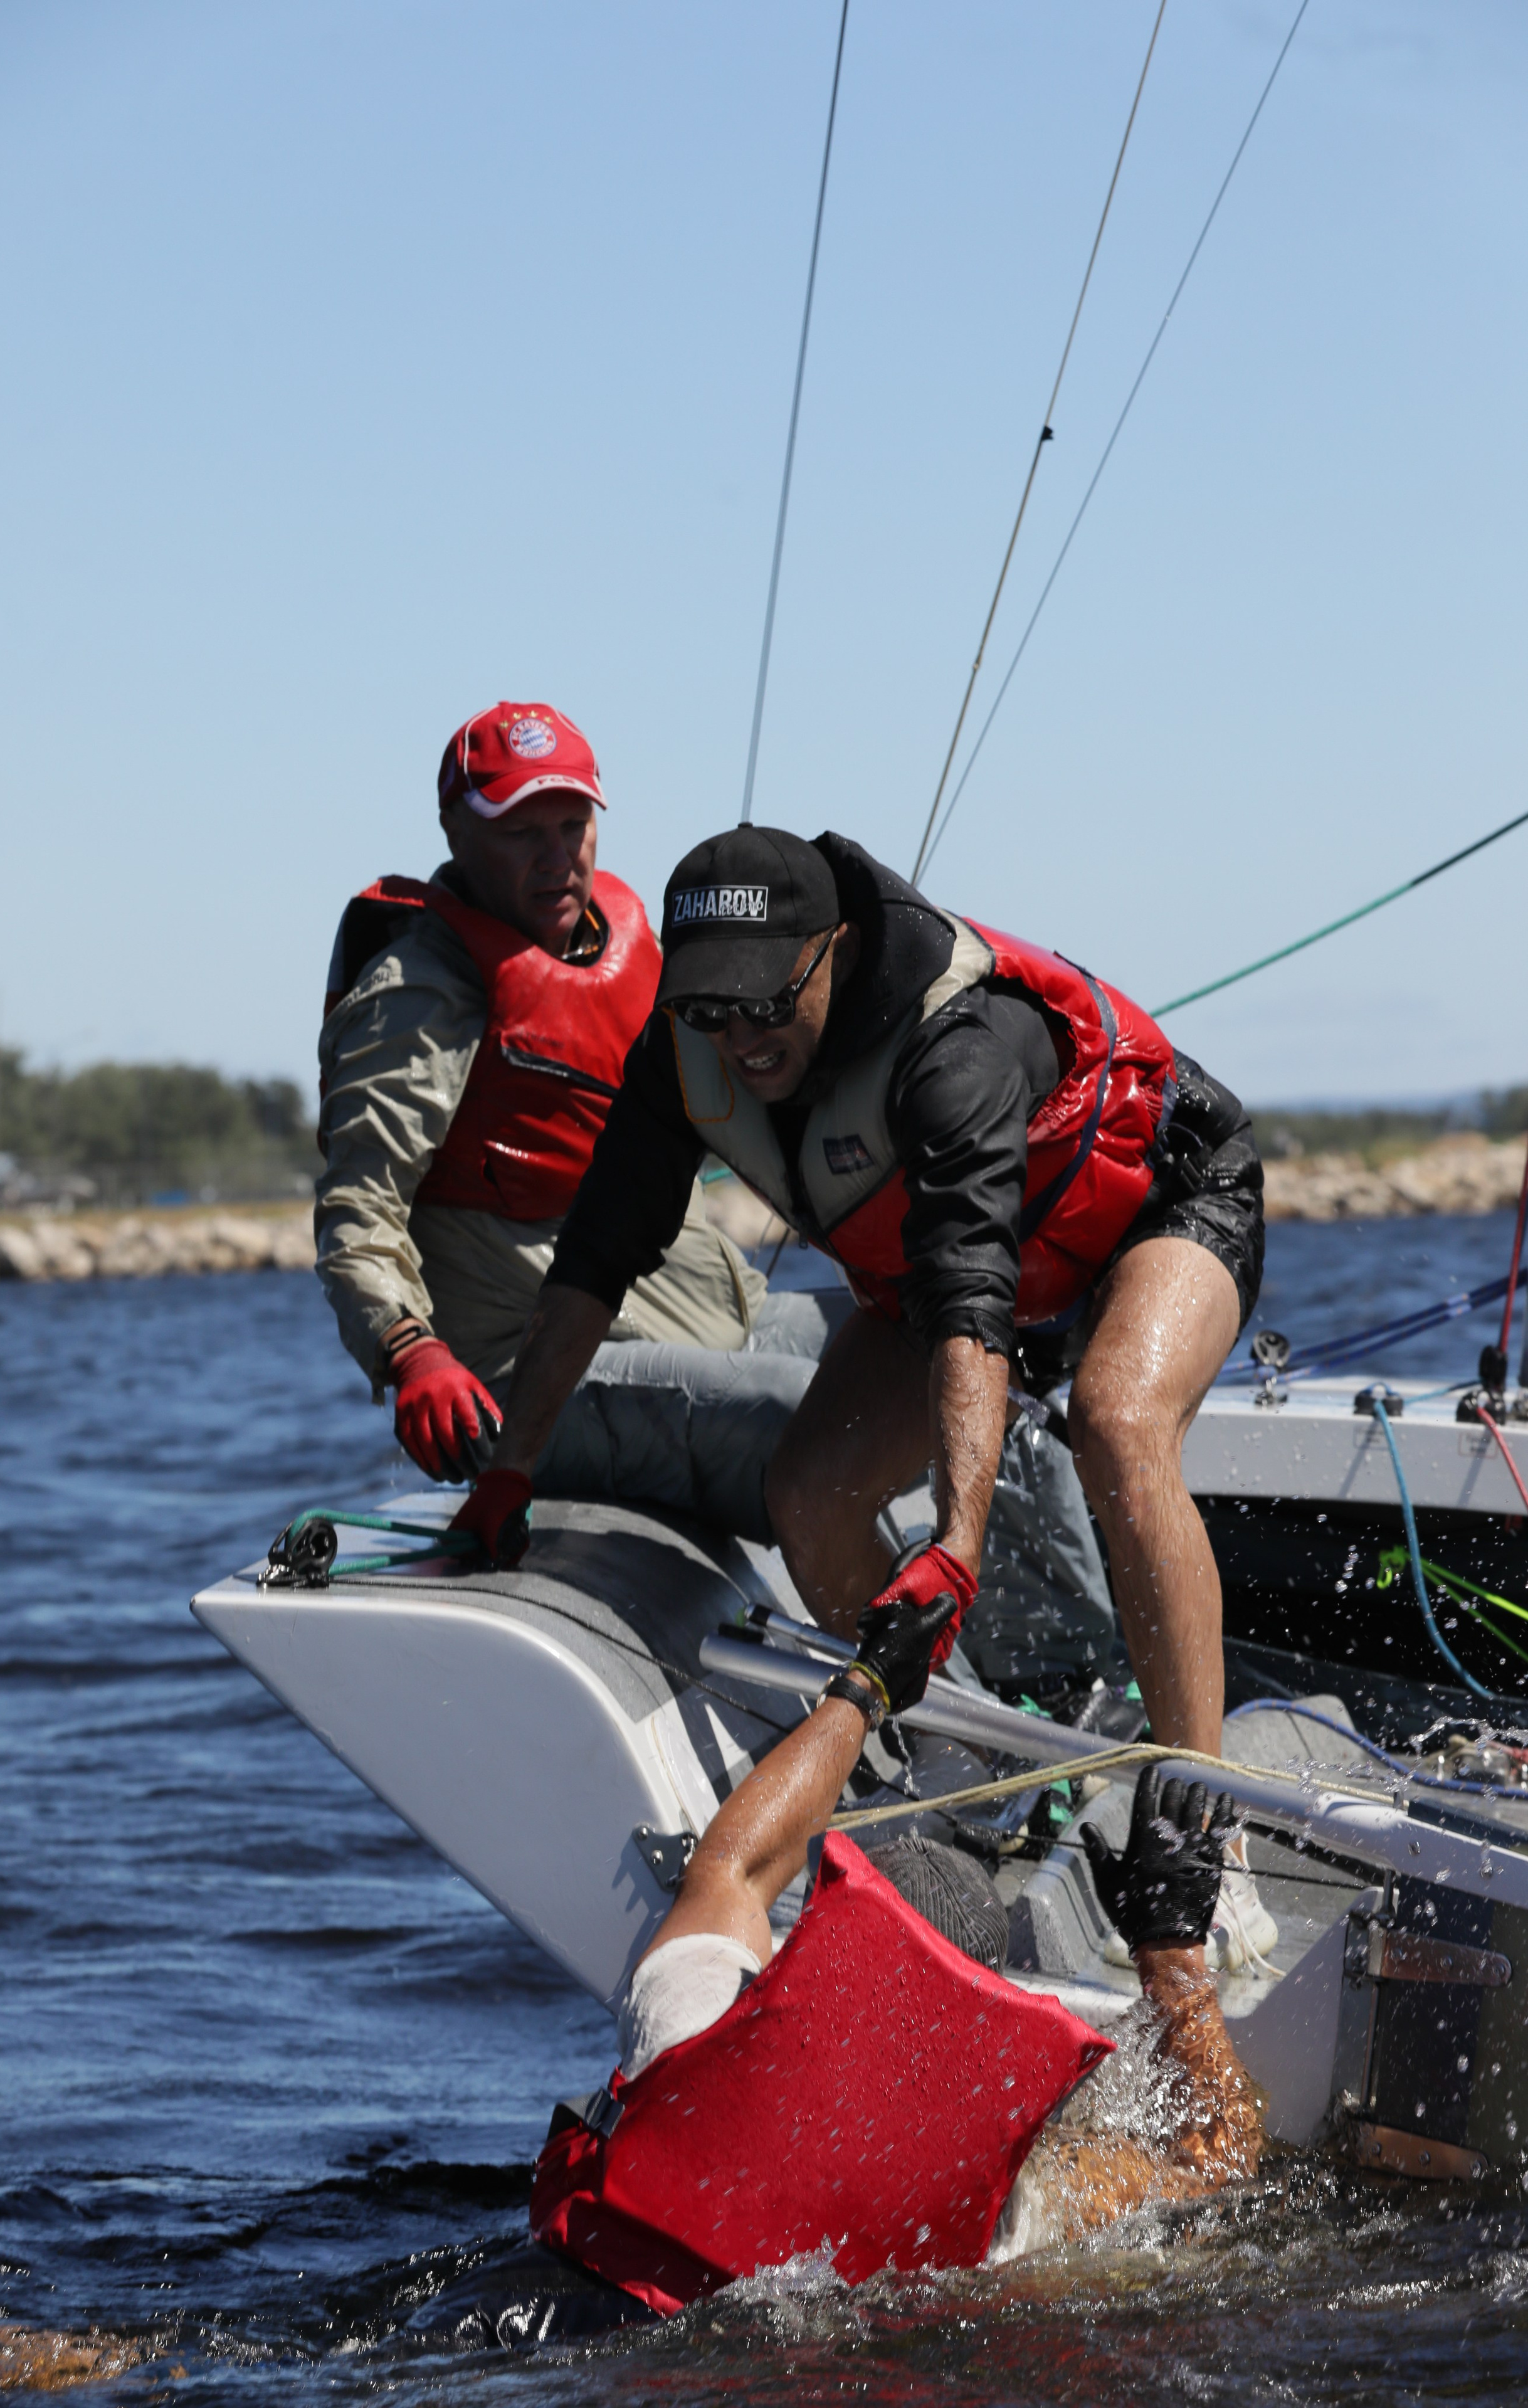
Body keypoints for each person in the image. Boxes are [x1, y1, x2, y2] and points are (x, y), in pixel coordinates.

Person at [458, 825, 1275, 1962]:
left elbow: (973, 1303)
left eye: (762, 1005)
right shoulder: (685, 1054)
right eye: (709, 1009)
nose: (738, 1039)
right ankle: (950, 1767)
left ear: (834, 952)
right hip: (951, 1279)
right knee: (809, 1492)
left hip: (1158, 1208)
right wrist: (509, 1468)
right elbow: (593, 1268)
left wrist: (954, 1544)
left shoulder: (958, 1045)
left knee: (1115, 1421)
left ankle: (1205, 1833)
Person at [530, 1591, 1262, 2312]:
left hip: (562, 2303)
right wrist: (1172, 1957)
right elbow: (1224, 2170)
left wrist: (866, 1684)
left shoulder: (692, 2023)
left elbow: (732, 1863)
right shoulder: (1009, 2206)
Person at [314, 708, 838, 1542]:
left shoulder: (633, 949)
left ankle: (1078, 1670)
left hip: (717, 1318)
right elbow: (357, 1212)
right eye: (523, 835)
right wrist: (409, 1349)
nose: (558, 859)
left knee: (930, 1349)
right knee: (823, 1420)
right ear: (456, 831)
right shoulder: (418, 995)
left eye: (573, 826)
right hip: (538, 1381)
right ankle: (910, 1655)